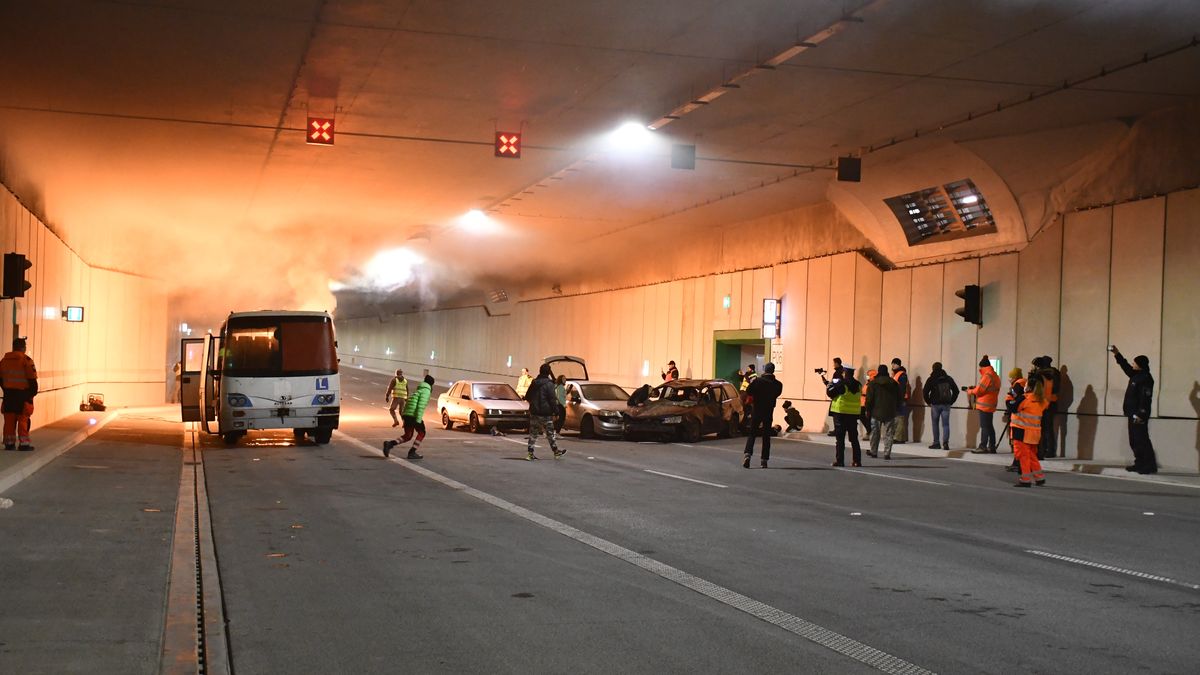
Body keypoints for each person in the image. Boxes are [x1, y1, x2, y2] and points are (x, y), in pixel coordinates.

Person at [1110, 346, 1157, 474]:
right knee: (1134, 440)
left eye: (1134, 362)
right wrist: (1117, 353)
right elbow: (1125, 366)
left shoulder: (1146, 378)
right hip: (1132, 413)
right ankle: (1139, 462)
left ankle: (1149, 465)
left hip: (1139, 414)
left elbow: (1145, 398)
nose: (1132, 364)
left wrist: (1141, 413)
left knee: (1142, 439)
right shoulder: (1136, 375)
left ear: (1140, 365)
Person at [1007, 376, 1048, 487]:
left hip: (1021, 431)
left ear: (1029, 386)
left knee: (1023, 456)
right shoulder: (1042, 401)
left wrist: (1009, 397)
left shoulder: (1025, 399)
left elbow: (1012, 407)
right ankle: (1039, 477)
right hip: (1034, 433)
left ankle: (1025, 479)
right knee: (1031, 455)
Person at [383, 374, 434, 459]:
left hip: (407, 414)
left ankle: (389, 444)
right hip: (413, 415)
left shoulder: (419, 389)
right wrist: (418, 420)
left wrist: (404, 416)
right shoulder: (426, 391)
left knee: (408, 436)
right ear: (431, 384)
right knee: (422, 432)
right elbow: (420, 406)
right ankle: (412, 452)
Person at [742, 362, 783, 468]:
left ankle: (748, 455)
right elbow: (777, 394)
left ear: (765, 370)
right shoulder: (778, 384)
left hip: (757, 410)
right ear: (773, 371)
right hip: (769, 411)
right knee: (766, 436)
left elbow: (748, 390)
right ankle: (764, 460)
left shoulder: (758, 381)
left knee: (752, 433)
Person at [1, 337, 38, 451]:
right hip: (23, 396)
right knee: (23, 420)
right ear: (23, 348)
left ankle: (9, 443)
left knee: (9, 420)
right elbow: (32, 380)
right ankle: (24, 444)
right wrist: (30, 395)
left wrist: (6, 390)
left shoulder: (3, 361)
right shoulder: (26, 361)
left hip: (8, 395)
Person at [524, 364, 563, 460]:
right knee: (550, 433)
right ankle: (556, 452)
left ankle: (530, 453)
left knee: (533, 433)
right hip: (546, 413)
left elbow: (527, 396)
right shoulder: (549, 384)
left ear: (540, 371)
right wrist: (556, 412)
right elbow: (552, 400)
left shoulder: (534, 382)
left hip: (534, 412)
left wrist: (533, 404)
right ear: (549, 372)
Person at [826, 364, 863, 467]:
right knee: (854, 438)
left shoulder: (842, 384)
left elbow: (830, 393)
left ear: (845, 373)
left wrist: (830, 385)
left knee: (840, 439)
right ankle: (857, 461)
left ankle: (840, 461)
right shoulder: (858, 385)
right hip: (853, 414)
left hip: (841, 413)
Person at [864, 366, 900, 460]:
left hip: (876, 411)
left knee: (875, 433)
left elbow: (869, 399)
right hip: (890, 411)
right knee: (889, 433)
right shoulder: (894, 383)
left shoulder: (873, 384)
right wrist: (896, 408)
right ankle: (887, 453)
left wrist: (868, 409)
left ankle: (873, 451)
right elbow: (899, 397)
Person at [922, 362, 959, 450]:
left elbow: (925, 392)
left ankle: (936, 443)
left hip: (935, 405)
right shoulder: (948, 378)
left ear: (933, 368)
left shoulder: (931, 379)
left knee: (935, 424)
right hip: (946, 404)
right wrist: (951, 401)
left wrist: (928, 402)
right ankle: (945, 443)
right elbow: (956, 391)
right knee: (946, 424)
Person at [967, 356, 1000, 453]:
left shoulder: (987, 376)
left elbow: (979, 391)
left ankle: (983, 446)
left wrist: (970, 391)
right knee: (989, 426)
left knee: (984, 426)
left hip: (984, 405)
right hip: (991, 403)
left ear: (982, 366)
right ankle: (992, 446)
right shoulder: (995, 375)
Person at [1031, 356, 1061, 459]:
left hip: (1042, 403)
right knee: (1049, 427)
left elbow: (1034, 387)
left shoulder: (1040, 374)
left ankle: (1043, 450)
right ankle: (1050, 450)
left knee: (1042, 428)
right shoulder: (1055, 373)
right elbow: (1057, 388)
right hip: (1052, 402)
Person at [1003, 368, 1025, 472]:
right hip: (1023, 420)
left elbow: (1011, 399)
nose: (1009, 379)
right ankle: (1018, 463)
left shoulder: (1017, 385)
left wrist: (1008, 400)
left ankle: (1017, 463)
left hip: (1018, 419)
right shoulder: (1024, 383)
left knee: (1017, 444)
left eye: (1011, 377)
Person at [890, 358, 910, 443]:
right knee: (898, 418)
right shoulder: (896, 374)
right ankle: (900, 438)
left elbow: (901, 389)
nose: (893, 365)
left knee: (899, 418)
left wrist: (899, 400)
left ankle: (898, 438)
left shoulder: (901, 375)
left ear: (899, 365)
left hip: (900, 399)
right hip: (898, 399)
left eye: (895, 364)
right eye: (892, 364)